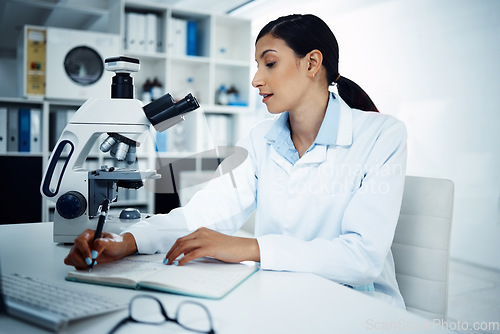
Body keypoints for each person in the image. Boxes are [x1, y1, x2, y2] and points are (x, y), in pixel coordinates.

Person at [65, 14, 407, 308]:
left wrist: (251, 247)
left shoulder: (381, 134)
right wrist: (128, 240)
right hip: (280, 296)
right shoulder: (261, 139)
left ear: (312, 64)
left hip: (355, 306)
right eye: (257, 66)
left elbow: (362, 257)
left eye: (269, 63)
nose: (256, 80)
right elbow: (205, 214)